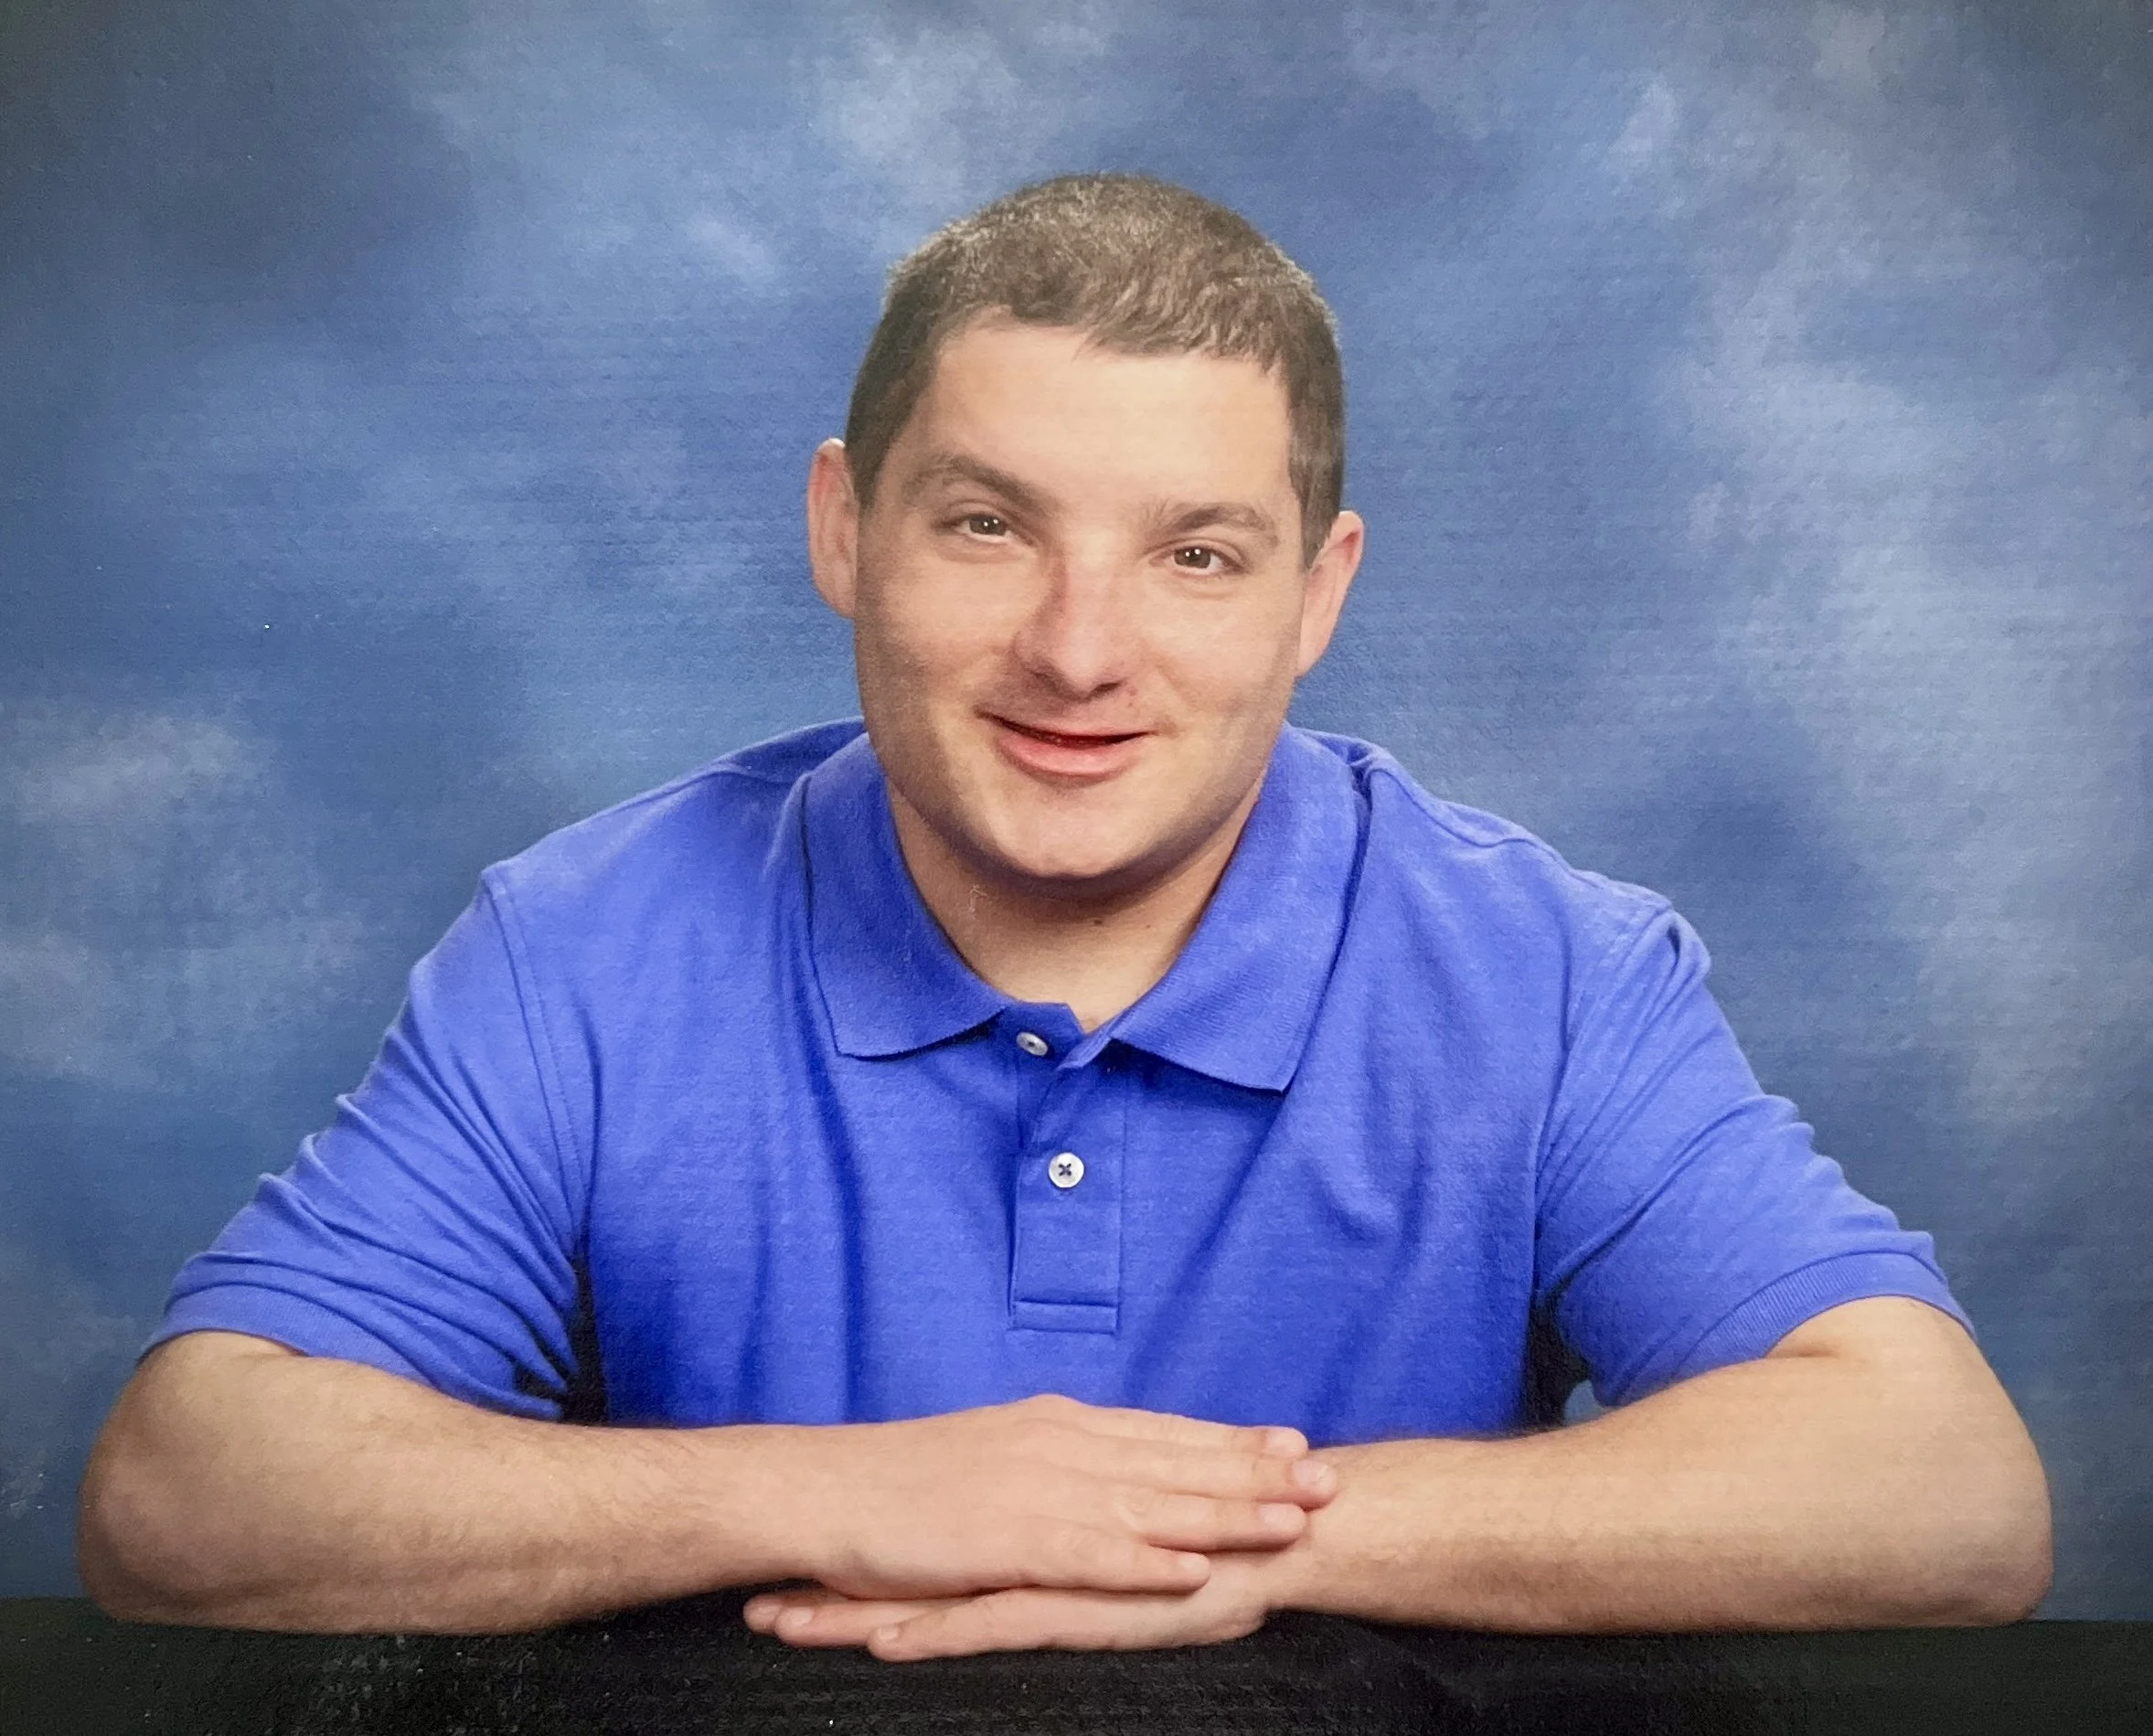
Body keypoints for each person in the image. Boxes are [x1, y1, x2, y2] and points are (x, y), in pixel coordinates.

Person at [78, 174, 2051, 1659]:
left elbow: (1945, 1495)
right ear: (845, 529)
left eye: (1196, 554)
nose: (1078, 652)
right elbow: (183, 1496)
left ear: (1315, 595)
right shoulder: (585, 941)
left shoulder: (1544, 970)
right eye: (988, 524)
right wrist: (858, 1497)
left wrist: (1209, 1534)